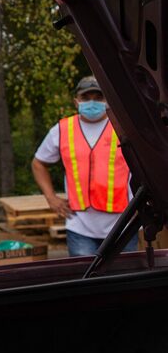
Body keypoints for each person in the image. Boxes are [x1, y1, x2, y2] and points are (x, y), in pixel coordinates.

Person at [31, 76, 137, 256]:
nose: (92, 102)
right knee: (87, 283)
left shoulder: (123, 128)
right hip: (80, 228)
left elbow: (145, 166)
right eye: (87, 98)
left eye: (98, 97)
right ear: (76, 101)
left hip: (123, 224)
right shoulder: (62, 129)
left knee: (123, 280)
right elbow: (38, 163)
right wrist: (51, 198)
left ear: (107, 100)